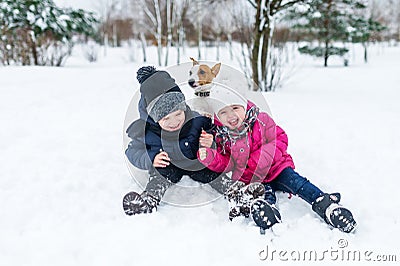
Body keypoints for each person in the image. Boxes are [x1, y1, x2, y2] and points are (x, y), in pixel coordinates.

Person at [197, 87, 357, 233]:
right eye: (223, 112)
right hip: (252, 178)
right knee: (263, 193)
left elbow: (279, 139)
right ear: (217, 116)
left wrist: (259, 159)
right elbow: (226, 164)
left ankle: (326, 205)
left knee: (297, 182)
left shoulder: (262, 120)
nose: (230, 115)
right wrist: (210, 157)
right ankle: (268, 211)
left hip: (277, 168)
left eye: (235, 108)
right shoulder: (221, 137)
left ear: (244, 106)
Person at [123, 66, 233, 215]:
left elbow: (217, 135)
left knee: (213, 174)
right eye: (165, 118)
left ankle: (237, 193)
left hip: (195, 163)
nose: (174, 122)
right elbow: (132, 151)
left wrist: (210, 141)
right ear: (155, 118)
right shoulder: (147, 132)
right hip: (168, 166)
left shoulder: (196, 120)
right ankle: (149, 199)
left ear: (184, 108)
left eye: (178, 114)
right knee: (159, 178)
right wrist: (150, 158)